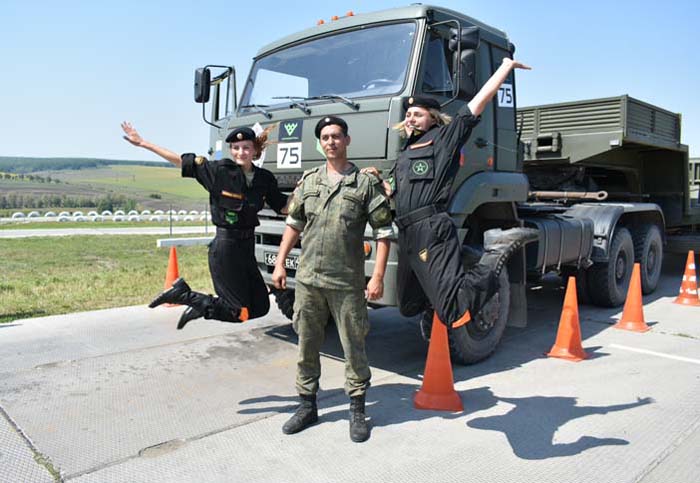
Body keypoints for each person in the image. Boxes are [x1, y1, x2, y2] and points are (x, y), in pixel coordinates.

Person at [370, 58, 538, 329]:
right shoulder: (406, 152)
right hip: (407, 231)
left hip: (431, 227)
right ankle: (440, 299)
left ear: (433, 117)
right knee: (408, 305)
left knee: (454, 311)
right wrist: (378, 180)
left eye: (418, 114)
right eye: (409, 114)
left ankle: (495, 253)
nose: (411, 118)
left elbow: (477, 104)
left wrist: (505, 68)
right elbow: (394, 191)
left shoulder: (444, 138)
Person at [272, 116, 393, 443]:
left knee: (354, 346)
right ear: (320, 143)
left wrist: (377, 276)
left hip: (346, 282)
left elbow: (384, 233)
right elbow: (294, 224)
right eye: (325, 137)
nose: (331, 142)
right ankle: (307, 405)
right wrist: (280, 263)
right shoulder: (310, 181)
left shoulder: (364, 184)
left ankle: (357, 409)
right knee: (307, 343)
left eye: (336, 136)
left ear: (347, 140)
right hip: (309, 279)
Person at [121, 122, 288, 329]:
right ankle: (187, 296)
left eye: (246, 147)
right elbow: (180, 161)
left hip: (247, 247)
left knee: (261, 306)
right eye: (236, 148)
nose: (241, 152)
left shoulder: (264, 178)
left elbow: (283, 206)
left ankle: (200, 304)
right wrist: (143, 143)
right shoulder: (219, 171)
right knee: (237, 312)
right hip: (226, 248)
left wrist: (303, 191)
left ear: (255, 150)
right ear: (231, 150)